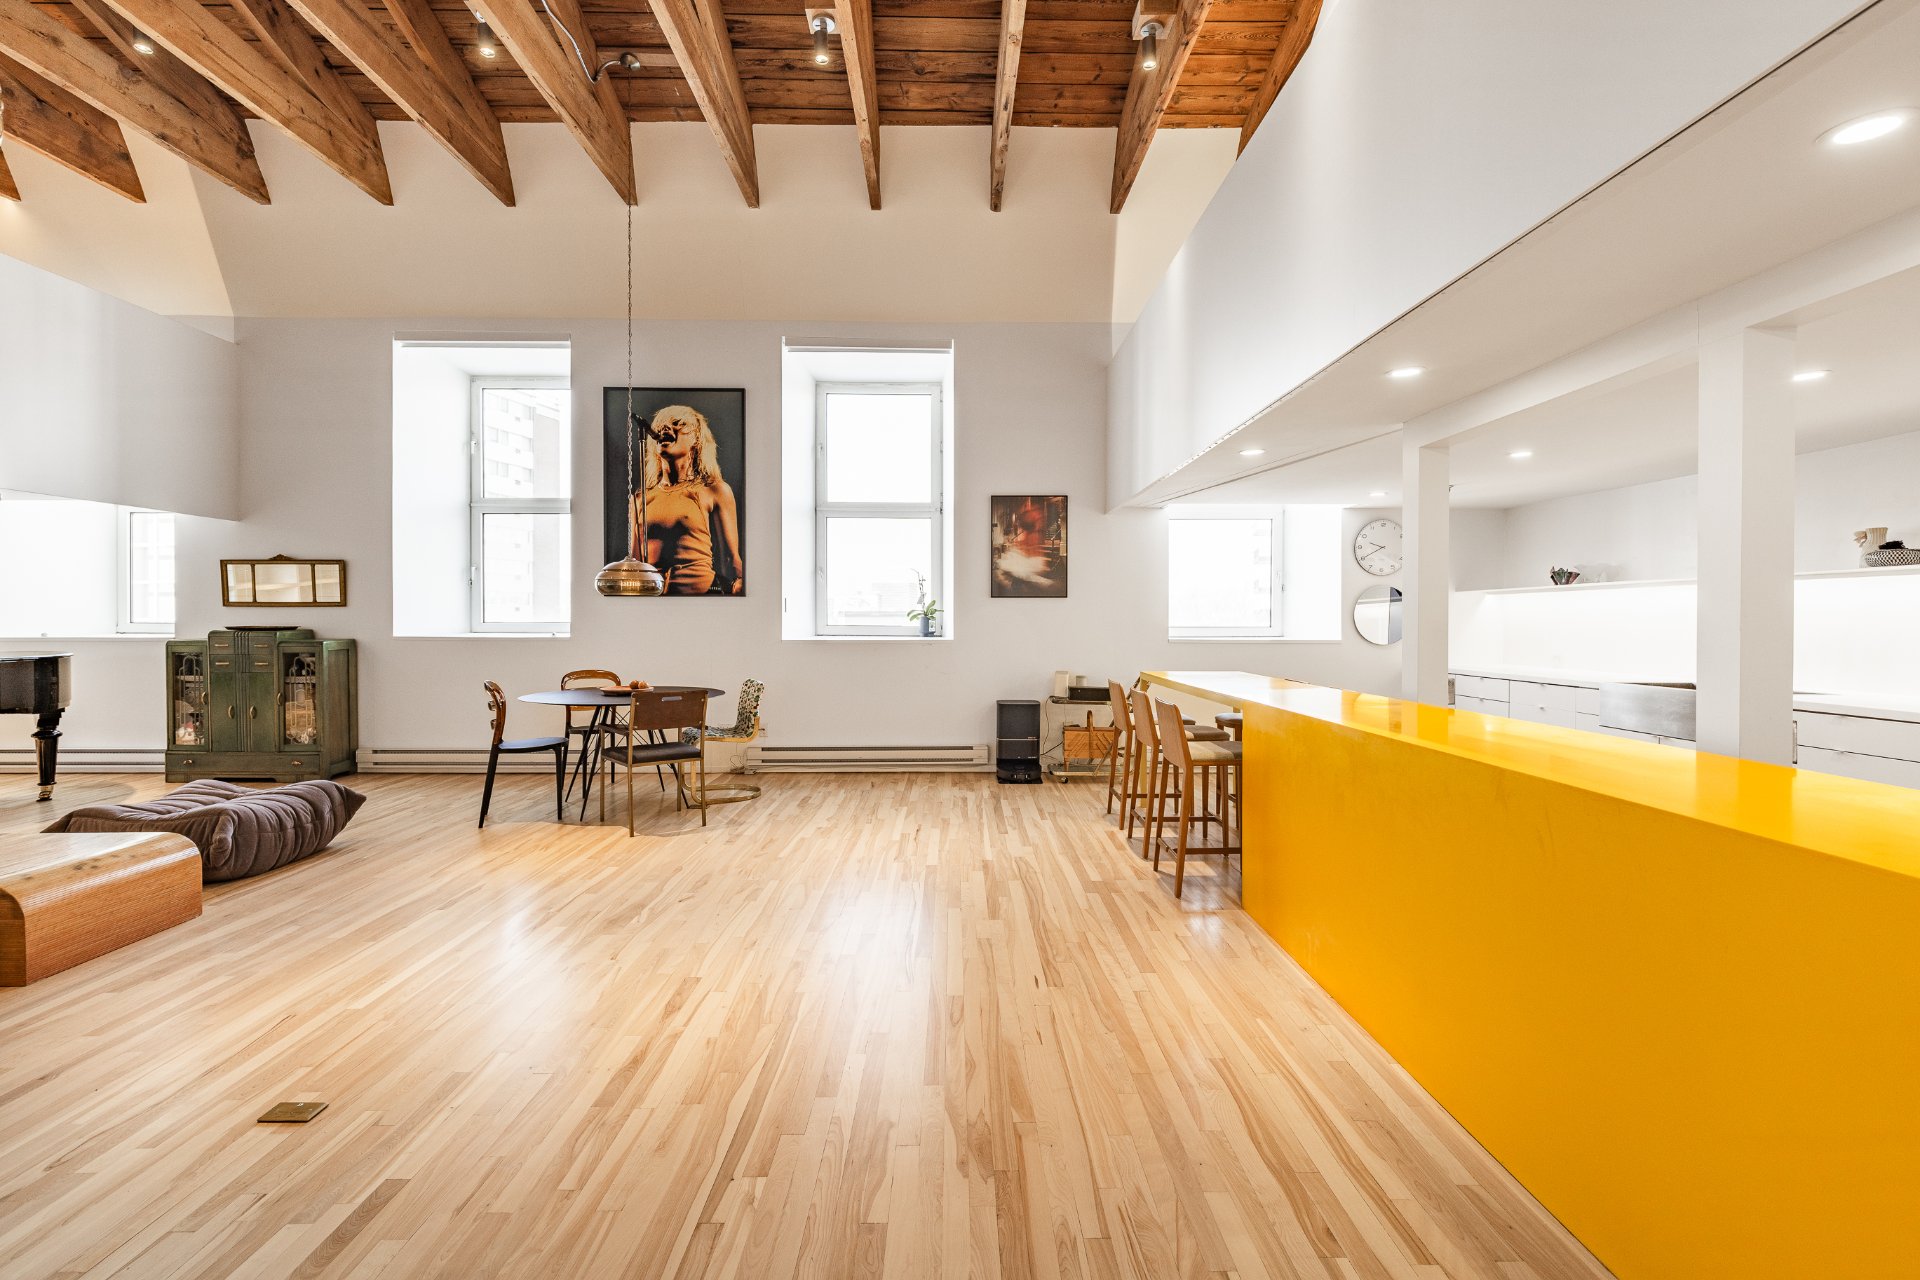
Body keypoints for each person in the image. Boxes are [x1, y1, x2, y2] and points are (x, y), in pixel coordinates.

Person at [631, 404, 743, 595]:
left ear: (696, 439)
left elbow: (730, 559)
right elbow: (635, 564)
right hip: (654, 601)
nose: (665, 428)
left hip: (700, 598)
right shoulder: (640, 498)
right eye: (661, 425)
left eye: (677, 424)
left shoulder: (714, 490)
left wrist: (739, 590)